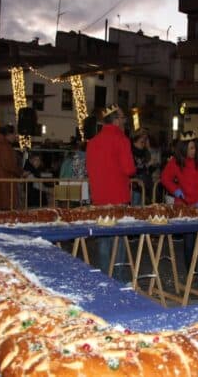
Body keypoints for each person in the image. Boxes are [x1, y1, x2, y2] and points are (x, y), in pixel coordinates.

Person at [86, 104, 136, 278]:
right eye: (122, 118)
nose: (124, 121)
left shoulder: (92, 142)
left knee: (103, 242)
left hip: (99, 197)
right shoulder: (122, 140)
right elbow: (129, 169)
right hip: (118, 197)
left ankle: (104, 277)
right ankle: (118, 280)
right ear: (115, 120)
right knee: (118, 242)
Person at [161, 131, 198, 273]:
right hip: (185, 205)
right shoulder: (176, 161)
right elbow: (165, 178)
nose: (193, 151)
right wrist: (175, 190)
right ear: (183, 149)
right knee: (189, 240)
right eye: (190, 148)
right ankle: (190, 270)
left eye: (194, 147)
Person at [0, 125, 23, 210]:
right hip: (5, 183)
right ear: (8, 134)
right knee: (5, 209)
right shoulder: (5, 147)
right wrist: (20, 172)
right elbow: (9, 165)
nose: (15, 136)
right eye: (14, 134)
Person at [131, 130, 153, 206]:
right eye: (141, 142)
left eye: (144, 142)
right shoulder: (131, 152)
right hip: (134, 185)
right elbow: (133, 169)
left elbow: (147, 169)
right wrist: (147, 165)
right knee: (135, 206)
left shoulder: (144, 152)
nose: (143, 144)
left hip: (143, 184)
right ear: (135, 142)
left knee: (141, 206)